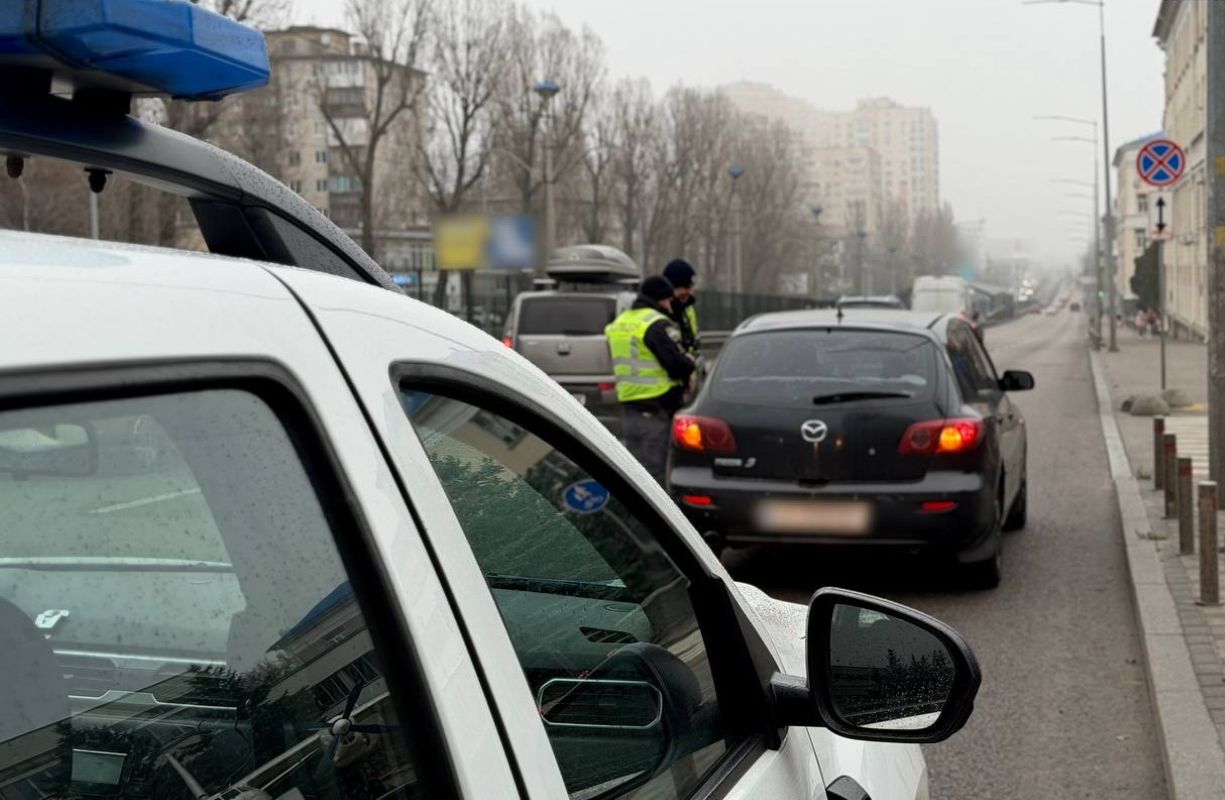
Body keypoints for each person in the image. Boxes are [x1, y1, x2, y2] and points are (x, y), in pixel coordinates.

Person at [605, 275, 696, 483]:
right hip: (657, 404)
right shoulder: (655, 323)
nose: (670, 304)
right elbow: (676, 365)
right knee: (656, 471)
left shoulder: (618, 323)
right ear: (661, 299)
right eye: (668, 300)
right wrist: (689, 362)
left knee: (634, 470)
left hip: (628, 403)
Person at [663, 258, 700, 356]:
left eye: (692, 287)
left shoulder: (688, 309)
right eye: (686, 287)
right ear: (671, 287)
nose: (690, 292)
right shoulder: (658, 312)